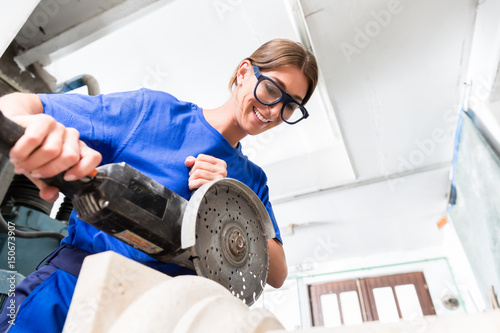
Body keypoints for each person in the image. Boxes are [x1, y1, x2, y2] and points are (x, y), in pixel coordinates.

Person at [0, 38, 318, 331]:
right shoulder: (154, 112)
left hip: (155, 319)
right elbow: (18, 107)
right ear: (245, 71)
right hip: (69, 293)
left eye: (291, 105)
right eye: (272, 89)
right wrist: (30, 128)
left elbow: (277, 273)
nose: (275, 110)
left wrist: (230, 206)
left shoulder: (251, 180)